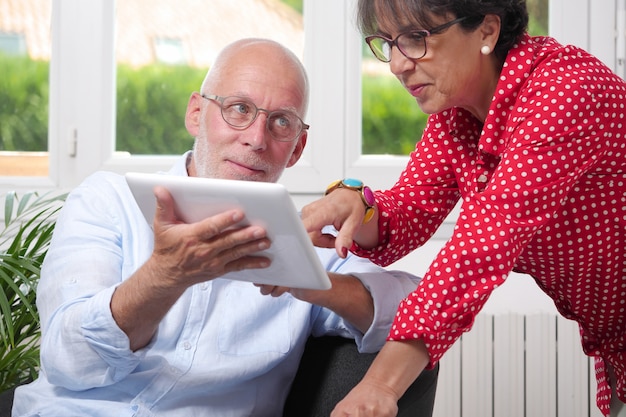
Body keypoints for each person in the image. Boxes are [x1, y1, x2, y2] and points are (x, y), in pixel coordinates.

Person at [11, 38, 428, 417]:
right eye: (239, 109)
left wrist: (308, 279)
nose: (257, 139)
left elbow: (423, 305)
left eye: (281, 122)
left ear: (298, 148)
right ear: (196, 113)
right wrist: (164, 277)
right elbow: (69, 361)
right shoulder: (107, 200)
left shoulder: (307, 239)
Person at [300, 1, 626, 416]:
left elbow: (478, 251)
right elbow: (409, 211)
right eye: (388, 42)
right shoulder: (458, 115)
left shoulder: (563, 92)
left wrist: (381, 384)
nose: (398, 65)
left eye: (416, 39)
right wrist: (355, 204)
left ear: (487, 32)